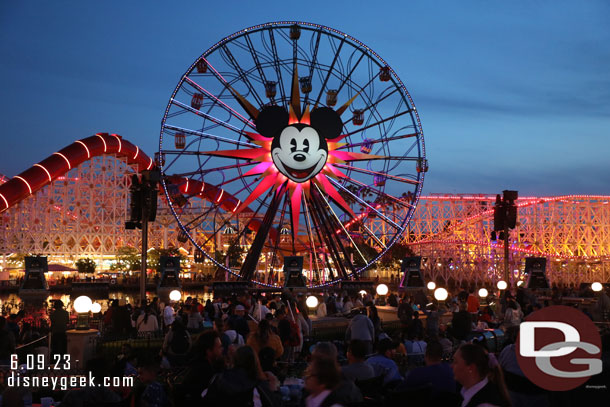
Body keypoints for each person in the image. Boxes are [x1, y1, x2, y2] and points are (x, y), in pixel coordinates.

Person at [202, 345, 278, 406]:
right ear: (256, 362)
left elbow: (205, 398)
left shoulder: (218, 378)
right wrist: (274, 389)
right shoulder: (258, 385)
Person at [176, 330, 224, 406]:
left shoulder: (209, 366)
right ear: (209, 351)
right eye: (219, 347)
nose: (222, 350)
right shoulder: (202, 372)